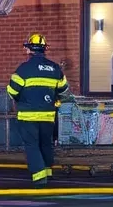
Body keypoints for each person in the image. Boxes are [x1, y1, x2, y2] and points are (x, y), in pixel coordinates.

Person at [6, 32, 69, 187]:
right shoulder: (55, 68)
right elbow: (64, 91)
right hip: (48, 116)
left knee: (32, 145)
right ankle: (48, 172)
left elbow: (12, 91)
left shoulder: (23, 69)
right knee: (46, 143)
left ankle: (39, 177)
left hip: (28, 117)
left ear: (29, 49)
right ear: (44, 49)